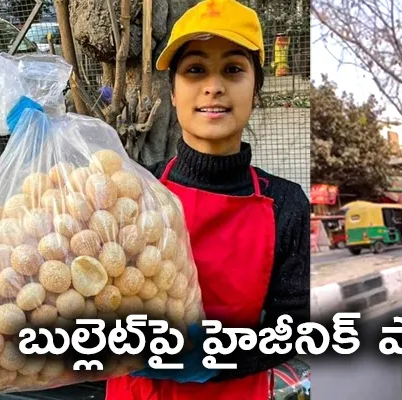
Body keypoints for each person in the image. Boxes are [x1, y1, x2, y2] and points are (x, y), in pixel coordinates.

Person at [105, 0, 310, 398]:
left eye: (233, 69)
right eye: (195, 70)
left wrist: (217, 357)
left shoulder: (286, 204)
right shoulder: (134, 189)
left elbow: (295, 328)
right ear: (174, 93)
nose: (213, 85)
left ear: (256, 91)